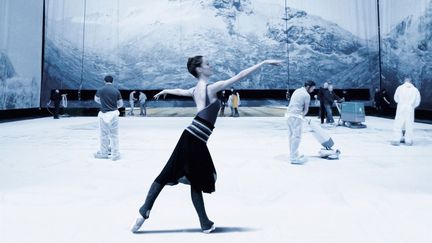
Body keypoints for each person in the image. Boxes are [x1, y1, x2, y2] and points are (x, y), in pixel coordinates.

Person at [131, 56, 282, 234]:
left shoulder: (196, 89)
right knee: (186, 176)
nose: (211, 65)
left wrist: (167, 89)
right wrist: (263, 63)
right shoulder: (211, 88)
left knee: (190, 177)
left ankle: (199, 221)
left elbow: (181, 91)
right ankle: (148, 209)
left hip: (193, 137)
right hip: (194, 138)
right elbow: (240, 76)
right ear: (200, 69)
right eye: (207, 64)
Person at [285, 80, 316, 164]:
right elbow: (306, 109)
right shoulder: (306, 95)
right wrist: (302, 116)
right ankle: (294, 158)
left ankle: (293, 154)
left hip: (288, 115)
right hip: (296, 116)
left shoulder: (297, 90)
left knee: (291, 136)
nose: (313, 90)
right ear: (308, 87)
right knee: (297, 137)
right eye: (312, 88)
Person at [94, 75, 123, 161]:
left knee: (104, 135)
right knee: (114, 135)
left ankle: (104, 153)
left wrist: (103, 103)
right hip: (114, 114)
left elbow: (96, 99)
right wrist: (114, 106)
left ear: (104, 81)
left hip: (103, 115)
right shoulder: (116, 91)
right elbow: (120, 104)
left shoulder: (100, 90)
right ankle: (115, 155)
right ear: (112, 81)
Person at [391, 78, 421, 146]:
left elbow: (396, 98)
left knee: (398, 124)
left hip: (401, 108)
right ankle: (408, 140)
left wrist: (400, 103)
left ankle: (396, 139)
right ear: (411, 82)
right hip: (409, 109)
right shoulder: (415, 90)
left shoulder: (400, 88)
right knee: (409, 124)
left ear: (404, 81)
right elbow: (417, 101)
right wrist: (412, 106)